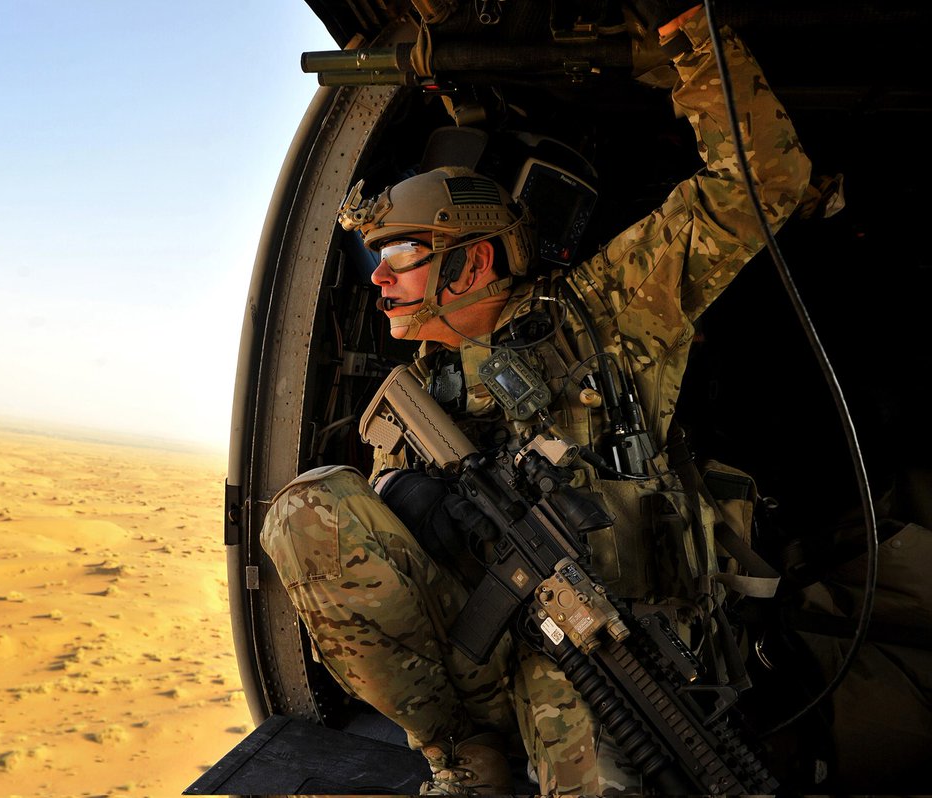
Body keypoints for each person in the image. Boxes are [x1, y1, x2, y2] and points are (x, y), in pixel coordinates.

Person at [261, 4, 811, 794]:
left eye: (404, 255)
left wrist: (689, 40)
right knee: (308, 509)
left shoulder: (608, 309)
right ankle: (459, 754)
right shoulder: (419, 389)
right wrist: (405, 495)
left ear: (476, 262)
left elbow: (765, 180)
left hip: (603, 645)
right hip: (478, 657)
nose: (378, 278)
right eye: (375, 257)